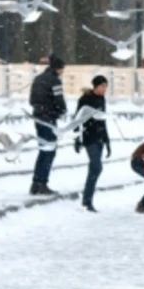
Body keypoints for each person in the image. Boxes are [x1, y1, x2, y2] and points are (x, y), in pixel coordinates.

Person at [29, 54, 67, 195]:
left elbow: (32, 99)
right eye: (62, 69)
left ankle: (36, 183)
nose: (63, 72)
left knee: (43, 150)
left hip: (38, 117)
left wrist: (39, 108)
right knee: (49, 151)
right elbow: (59, 99)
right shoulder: (55, 81)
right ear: (58, 69)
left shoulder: (38, 79)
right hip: (49, 118)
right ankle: (42, 184)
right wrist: (61, 111)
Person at [75, 75, 110, 213]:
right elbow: (77, 119)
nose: (104, 89)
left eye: (106, 86)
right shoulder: (85, 99)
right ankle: (88, 200)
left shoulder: (102, 99)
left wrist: (107, 139)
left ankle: (87, 199)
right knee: (96, 167)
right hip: (89, 137)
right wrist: (77, 137)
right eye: (102, 86)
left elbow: (103, 119)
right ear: (95, 86)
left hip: (100, 137)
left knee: (94, 168)